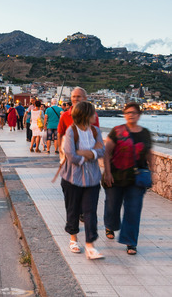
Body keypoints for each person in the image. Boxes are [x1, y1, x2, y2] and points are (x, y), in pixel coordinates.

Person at [103, 102, 152, 255]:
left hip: (136, 178)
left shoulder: (145, 133)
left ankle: (131, 242)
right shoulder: (117, 131)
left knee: (133, 210)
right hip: (116, 176)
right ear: (124, 114)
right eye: (128, 112)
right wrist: (108, 172)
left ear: (139, 115)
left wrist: (153, 172)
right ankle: (110, 225)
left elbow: (149, 153)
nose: (131, 115)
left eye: (134, 112)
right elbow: (107, 152)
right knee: (112, 205)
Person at [60, 101, 105, 260]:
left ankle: (90, 245)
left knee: (90, 210)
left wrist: (85, 153)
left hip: (92, 178)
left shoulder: (95, 131)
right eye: (93, 113)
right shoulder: (72, 131)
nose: (95, 116)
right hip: (73, 177)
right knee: (73, 208)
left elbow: (102, 151)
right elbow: (71, 155)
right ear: (85, 115)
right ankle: (73, 239)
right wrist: (92, 153)